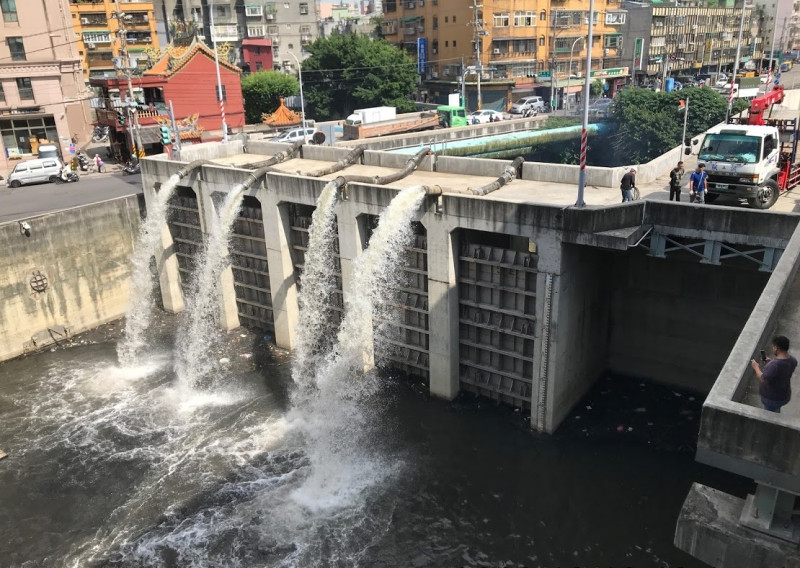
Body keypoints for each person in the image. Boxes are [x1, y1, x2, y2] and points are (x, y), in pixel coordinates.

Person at [750, 335, 797, 413]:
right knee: (776, 411)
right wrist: (770, 362)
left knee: (770, 416)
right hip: (784, 395)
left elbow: (763, 379)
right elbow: (782, 370)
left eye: (773, 347)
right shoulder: (793, 360)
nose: (772, 348)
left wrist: (756, 367)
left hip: (772, 398)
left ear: (776, 348)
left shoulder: (774, 365)